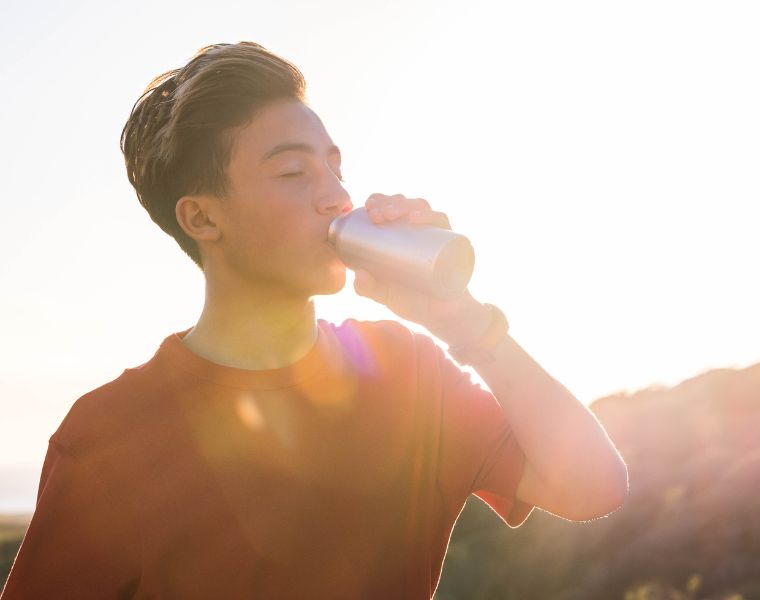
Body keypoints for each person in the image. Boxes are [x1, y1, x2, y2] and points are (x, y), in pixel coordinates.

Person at [1, 42, 627, 599]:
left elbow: (592, 487)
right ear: (202, 219)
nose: (337, 196)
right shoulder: (107, 439)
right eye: (294, 172)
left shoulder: (408, 373)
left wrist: (461, 320)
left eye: (335, 167)